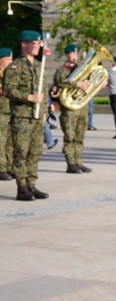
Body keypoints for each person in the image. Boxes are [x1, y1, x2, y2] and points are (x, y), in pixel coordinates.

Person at [4, 31, 50, 201]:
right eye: (34, 43)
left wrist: (44, 111)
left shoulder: (40, 66)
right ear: (24, 44)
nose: (37, 46)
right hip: (22, 116)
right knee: (21, 152)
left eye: (39, 43)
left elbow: (43, 90)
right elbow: (9, 90)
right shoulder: (15, 66)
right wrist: (28, 97)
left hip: (37, 117)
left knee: (35, 151)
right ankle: (22, 187)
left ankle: (31, 184)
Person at [50, 43, 92, 173]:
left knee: (80, 137)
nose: (72, 56)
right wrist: (76, 84)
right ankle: (70, 163)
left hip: (82, 107)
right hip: (69, 109)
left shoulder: (82, 68)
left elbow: (90, 81)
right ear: (66, 55)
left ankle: (78, 161)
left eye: (74, 53)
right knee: (70, 137)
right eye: (70, 54)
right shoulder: (61, 70)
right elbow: (60, 82)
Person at [0, 47, 15, 181]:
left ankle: (10, 167)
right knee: (1, 141)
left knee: (10, 142)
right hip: (1, 112)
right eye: (8, 59)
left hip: (11, 111)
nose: (11, 62)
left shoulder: (11, 75)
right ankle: (1, 168)